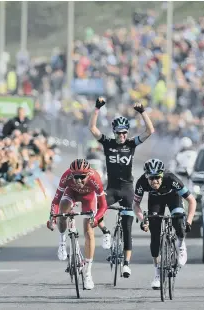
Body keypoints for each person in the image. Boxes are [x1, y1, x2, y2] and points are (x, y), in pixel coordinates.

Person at [88, 97, 155, 278]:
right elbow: (93, 129)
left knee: (127, 228)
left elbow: (150, 130)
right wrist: (97, 109)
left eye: (125, 133)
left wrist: (142, 112)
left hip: (126, 189)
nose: (122, 136)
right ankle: (107, 232)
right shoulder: (108, 143)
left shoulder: (131, 144)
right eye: (119, 133)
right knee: (94, 211)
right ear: (114, 133)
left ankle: (126, 264)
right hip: (111, 188)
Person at [133, 158, 197, 289]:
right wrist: (143, 219)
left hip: (173, 197)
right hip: (155, 200)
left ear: (162, 175)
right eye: (151, 178)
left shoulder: (171, 179)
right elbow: (136, 205)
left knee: (178, 220)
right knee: (155, 235)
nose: (154, 181)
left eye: (157, 177)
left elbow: (192, 201)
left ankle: (181, 245)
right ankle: (157, 274)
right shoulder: (141, 182)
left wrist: (189, 221)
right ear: (146, 176)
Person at [47, 159, 108, 290]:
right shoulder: (66, 176)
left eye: (82, 177)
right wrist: (52, 217)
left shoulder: (95, 178)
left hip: (88, 198)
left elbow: (103, 205)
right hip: (71, 194)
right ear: (71, 174)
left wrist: (96, 219)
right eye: (76, 177)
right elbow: (56, 200)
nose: (79, 181)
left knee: (88, 233)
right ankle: (62, 241)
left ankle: (87, 273)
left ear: (89, 173)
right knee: (62, 211)